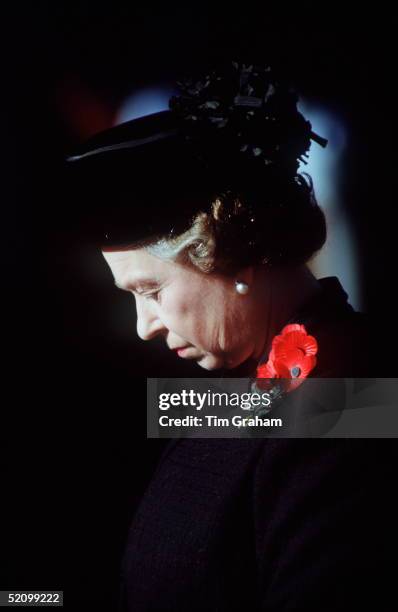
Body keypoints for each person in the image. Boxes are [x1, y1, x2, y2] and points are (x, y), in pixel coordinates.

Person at [67, 60, 396, 610]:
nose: (144, 327)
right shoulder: (222, 393)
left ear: (236, 257)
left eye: (151, 291)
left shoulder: (353, 402)